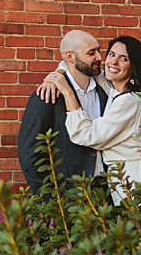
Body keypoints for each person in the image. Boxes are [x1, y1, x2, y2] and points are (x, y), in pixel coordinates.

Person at [42, 35, 141, 202]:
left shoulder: (128, 101)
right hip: (128, 175)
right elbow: (75, 63)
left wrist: (69, 94)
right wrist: (57, 74)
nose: (113, 62)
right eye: (112, 54)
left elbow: (87, 135)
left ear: (133, 66)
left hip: (135, 179)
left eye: (124, 58)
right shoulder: (117, 87)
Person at [18, 30, 107, 192]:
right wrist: (50, 197)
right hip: (68, 194)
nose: (99, 58)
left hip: (108, 192)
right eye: (91, 53)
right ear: (70, 57)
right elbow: (30, 153)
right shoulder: (47, 96)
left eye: (99, 51)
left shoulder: (105, 91)